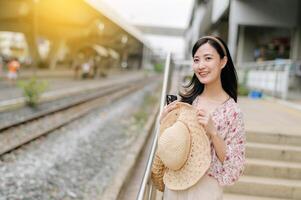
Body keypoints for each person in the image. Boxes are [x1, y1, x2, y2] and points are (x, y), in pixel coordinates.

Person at [159, 36, 246, 199]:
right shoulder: (186, 101)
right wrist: (164, 121)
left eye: (208, 58)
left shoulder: (232, 111)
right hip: (176, 185)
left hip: (206, 190)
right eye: (196, 60)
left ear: (223, 62)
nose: (201, 66)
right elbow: (169, 144)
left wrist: (214, 133)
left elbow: (234, 165)